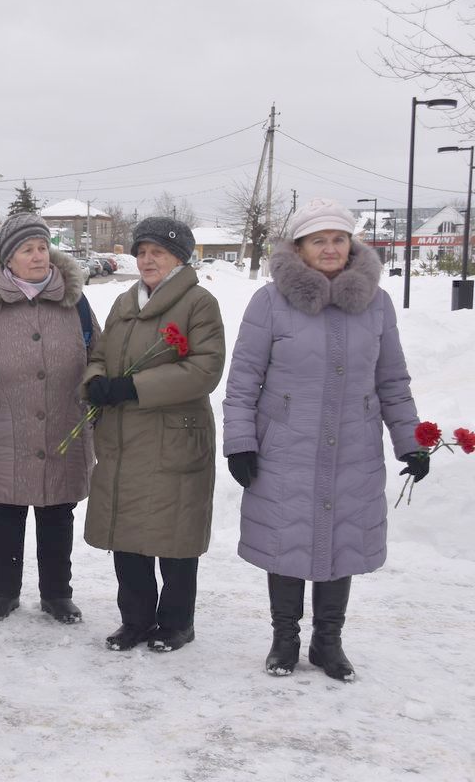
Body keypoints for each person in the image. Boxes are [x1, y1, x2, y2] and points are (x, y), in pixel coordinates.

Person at [222, 199, 423, 681]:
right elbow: (244, 378)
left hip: (353, 444)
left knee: (343, 540)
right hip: (286, 445)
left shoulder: (376, 302)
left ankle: (328, 641)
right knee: (286, 539)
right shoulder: (270, 302)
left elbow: (392, 379)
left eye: (339, 239)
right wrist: (240, 442)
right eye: (319, 240)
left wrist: (410, 440)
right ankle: (284, 639)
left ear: (351, 245)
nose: (330, 248)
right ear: (300, 248)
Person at [0, 211, 99, 624]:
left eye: (43, 247)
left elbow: (99, 358)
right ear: (7, 258)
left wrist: (95, 414)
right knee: (5, 512)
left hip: (64, 422)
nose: (38, 256)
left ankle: (57, 594)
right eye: (27, 249)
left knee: (58, 511)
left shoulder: (75, 303)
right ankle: (4, 593)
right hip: (0, 425)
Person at [83, 217, 225, 652]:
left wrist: (133, 387)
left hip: (173, 439)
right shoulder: (125, 302)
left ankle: (177, 622)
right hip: (124, 439)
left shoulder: (198, 303)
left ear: (179, 258)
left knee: (173, 536)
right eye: (142, 252)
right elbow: (100, 354)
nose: (147, 260)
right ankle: (136, 620)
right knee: (127, 535)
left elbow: (205, 369)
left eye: (157, 252)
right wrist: (95, 381)